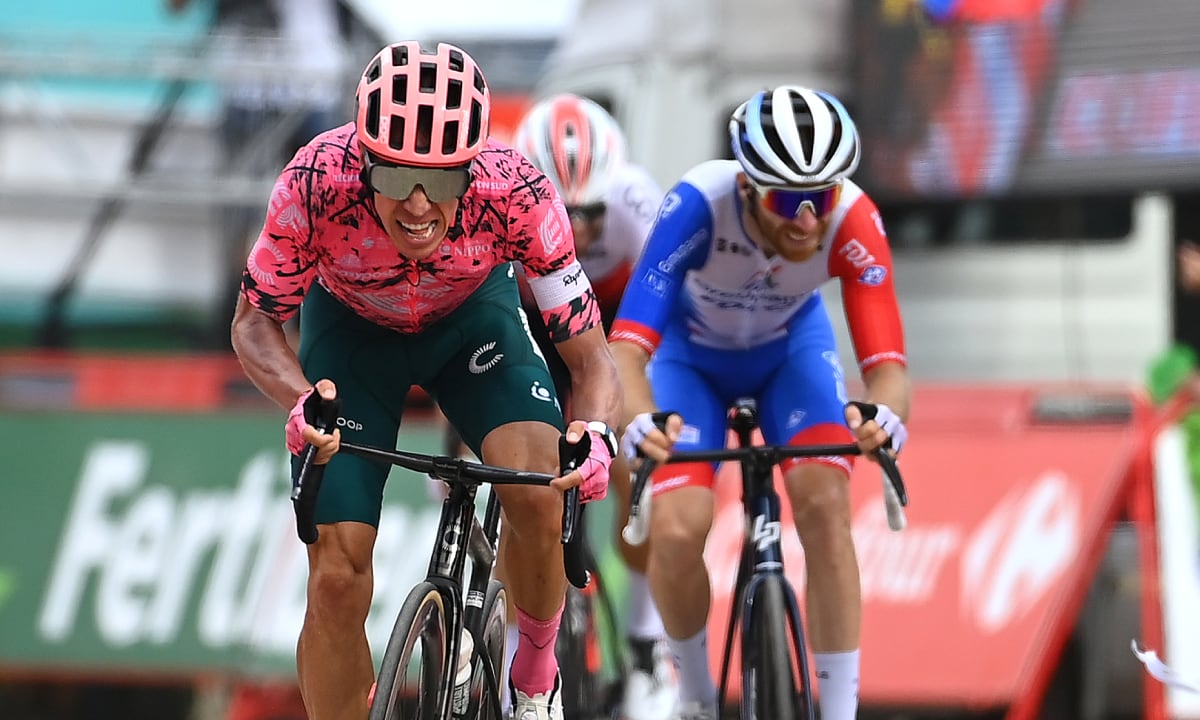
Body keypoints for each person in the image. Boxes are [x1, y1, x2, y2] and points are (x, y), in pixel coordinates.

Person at [230, 41, 623, 720]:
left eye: (441, 182)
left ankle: (534, 675)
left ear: (472, 171)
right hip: (352, 339)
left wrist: (593, 436)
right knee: (334, 580)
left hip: (474, 328)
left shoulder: (518, 191)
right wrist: (300, 401)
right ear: (364, 160)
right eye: (394, 180)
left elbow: (592, 360)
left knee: (538, 489)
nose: (417, 205)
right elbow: (253, 322)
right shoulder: (315, 180)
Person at [609, 86, 912, 720]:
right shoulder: (698, 204)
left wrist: (885, 418)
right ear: (747, 187)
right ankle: (694, 698)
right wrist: (638, 419)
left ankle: (838, 712)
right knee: (677, 528)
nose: (808, 220)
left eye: (821, 197)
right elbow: (629, 349)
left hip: (789, 356)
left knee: (827, 509)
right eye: (789, 200)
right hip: (689, 361)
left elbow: (888, 373)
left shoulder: (853, 219)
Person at [512, 94, 678, 720]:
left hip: (612, 323)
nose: (577, 230)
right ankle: (518, 649)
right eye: (562, 212)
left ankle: (644, 646)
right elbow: (473, 329)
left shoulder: (637, 201)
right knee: (517, 464)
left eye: (591, 213)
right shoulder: (506, 202)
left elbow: (666, 314)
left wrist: (638, 416)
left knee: (642, 459)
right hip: (530, 324)